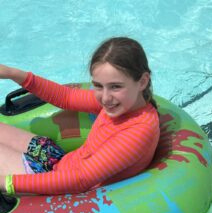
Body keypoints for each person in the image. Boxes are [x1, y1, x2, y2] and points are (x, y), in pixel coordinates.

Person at [0, 37, 160, 196]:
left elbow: (80, 179)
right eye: (98, 86)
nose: (105, 98)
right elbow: (67, 97)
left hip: (59, 186)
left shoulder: (140, 130)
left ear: (142, 82)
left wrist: (4, 182)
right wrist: (13, 74)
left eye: (115, 87)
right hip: (58, 160)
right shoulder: (121, 104)